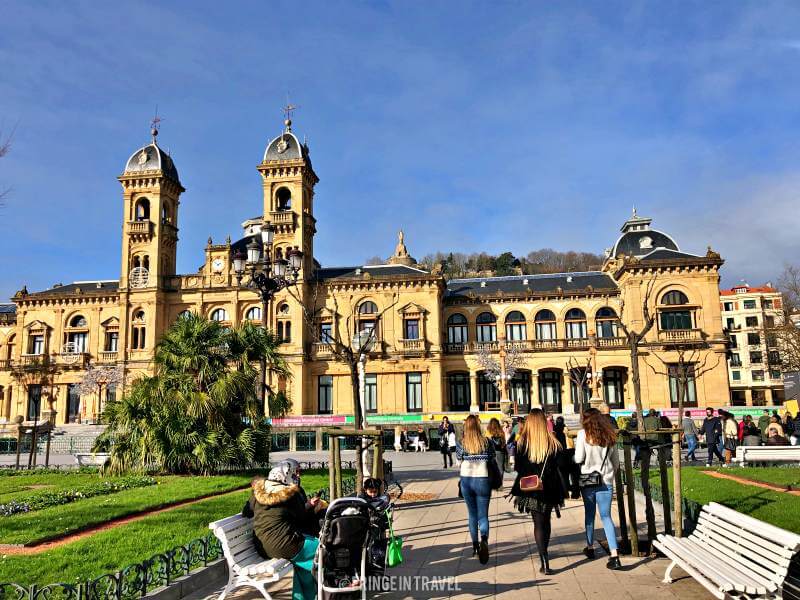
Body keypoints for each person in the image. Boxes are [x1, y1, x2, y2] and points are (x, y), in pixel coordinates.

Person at [242, 459, 326, 600]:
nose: (298, 477)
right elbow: (302, 518)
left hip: (262, 547)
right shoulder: (289, 494)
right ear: (286, 474)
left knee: (304, 564)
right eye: (296, 473)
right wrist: (310, 506)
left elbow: (246, 512)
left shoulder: (259, 491)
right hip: (286, 544)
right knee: (324, 550)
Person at [509, 409, 565, 575]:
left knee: (538, 523)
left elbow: (518, 468)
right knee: (546, 521)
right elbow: (560, 464)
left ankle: (544, 560)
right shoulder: (554, 442)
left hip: (531, 489)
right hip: (550, 488)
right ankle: (545, 558)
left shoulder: (523, 444)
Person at [575, 408, 622, 570]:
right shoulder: (609, 435)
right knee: (606, 517)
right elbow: (616, 462)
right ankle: (614, 555)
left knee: (589, 515)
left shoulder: (583, 435)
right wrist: (609, 474)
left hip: (588, 480)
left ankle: (590, 547)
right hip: (606, 480)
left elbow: (579, 457)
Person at [456, 414, 495, 565]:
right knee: (483, 515)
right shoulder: (487, 442)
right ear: (479, 426)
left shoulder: (462, 443)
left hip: (466, 480)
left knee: (472, 515)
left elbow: (458, 461)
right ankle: (484, 538)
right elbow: (492, 459)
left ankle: (475, 546)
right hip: (483, 479)